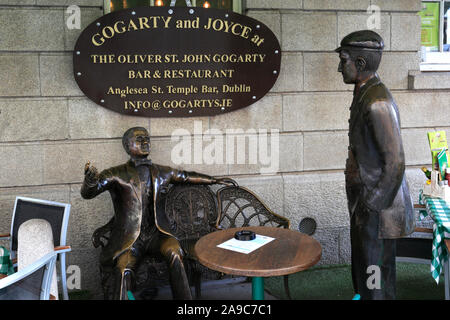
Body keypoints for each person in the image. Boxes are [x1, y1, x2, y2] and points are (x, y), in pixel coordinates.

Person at [81, 127, 232, 300]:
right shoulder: (115, 174)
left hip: (157, 234)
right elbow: (89, 193)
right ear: (126, 145)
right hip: (131, 239)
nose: (145, 141)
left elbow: (185, 176)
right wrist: (90, 182)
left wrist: (214, 180)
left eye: (147, 138)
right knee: (123, 268)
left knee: (175, 252)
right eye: (139, 139)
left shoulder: (161, 171)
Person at [335, 30, 415, 299]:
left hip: (377, 209)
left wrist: (371, 205)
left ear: (359, 63)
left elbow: (395, 163)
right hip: (366, 204)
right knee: (366, 271)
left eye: (343, 59)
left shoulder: (378, 102)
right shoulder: (365, 92)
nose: (339, 67)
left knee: (375, 275)